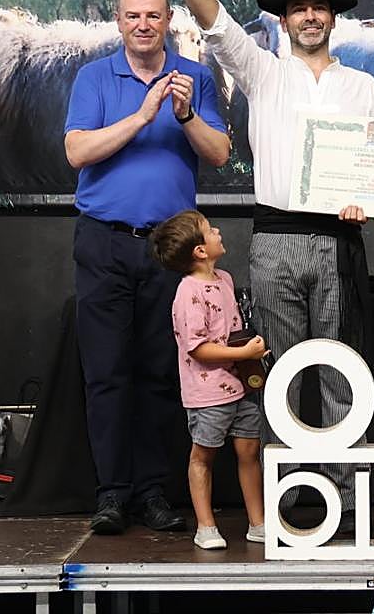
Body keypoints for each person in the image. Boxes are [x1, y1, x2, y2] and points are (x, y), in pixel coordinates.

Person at [153, 0, 374, 535]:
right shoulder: (263, 73)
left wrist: (370, 194)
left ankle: (345, 502)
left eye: (319, 8)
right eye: (298, 10)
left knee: (342, 370)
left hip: (339, 240)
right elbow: (217, 25)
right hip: (276, 240)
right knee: (279, 371)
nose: (310, 17)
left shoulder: (364, 87)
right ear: (284, 23)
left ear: (333, 19)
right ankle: (286, 501)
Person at [64, 0, 231, 535]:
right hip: (103, 242)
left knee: (165, 372)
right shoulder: (93, 77)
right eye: (133, 16)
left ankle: (155, 491)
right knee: (107, 373)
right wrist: (141, 115)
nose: (143, 24)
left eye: (153, 16)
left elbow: (221, 154)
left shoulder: (197, 78)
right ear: (118, 21)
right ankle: (112, 493)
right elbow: (76, 152)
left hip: (171, 249)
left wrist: (183, 115)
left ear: (168, 22)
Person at [150, 210, 267, 550]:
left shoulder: (225, 280)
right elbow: (198, 348)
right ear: (199, 251)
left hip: (240, 387)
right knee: (203, 456)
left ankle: (257, 522)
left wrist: (248, 353)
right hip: (207, 393)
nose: (217, 231)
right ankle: (205, 525)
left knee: (249, 450)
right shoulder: (188, 293)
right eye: (208, 230)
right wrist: (244, 354)